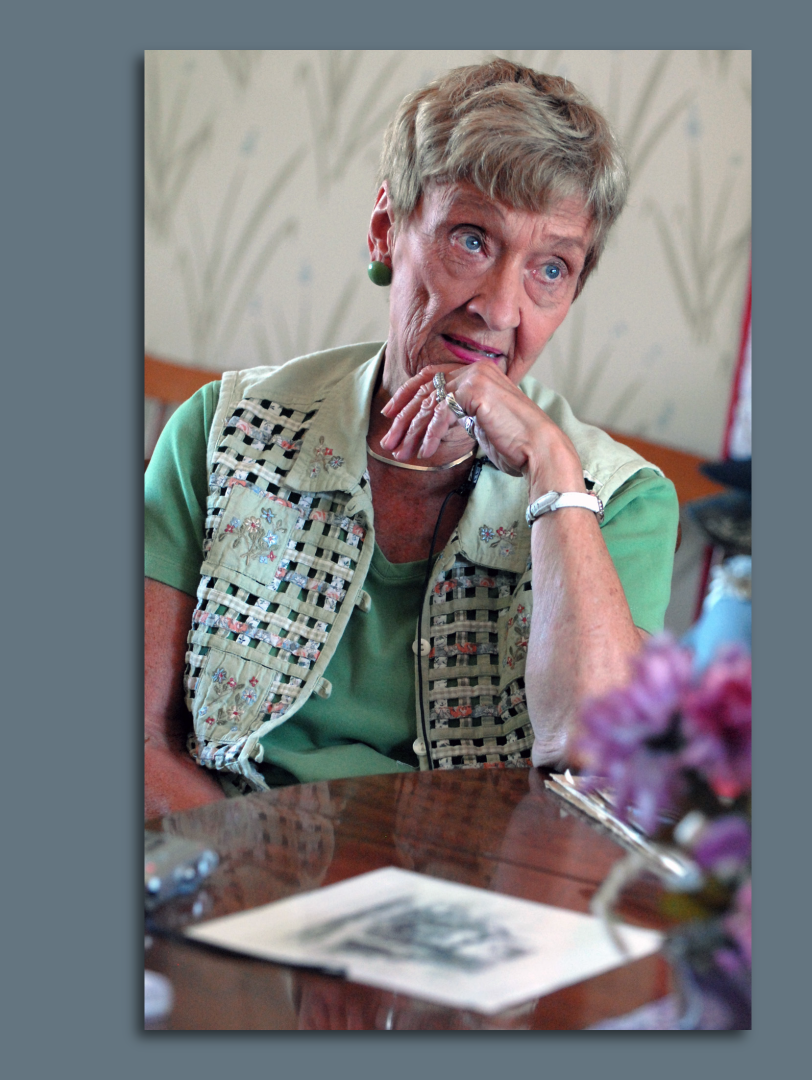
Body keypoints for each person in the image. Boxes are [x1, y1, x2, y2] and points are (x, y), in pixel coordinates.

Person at [144, 60, 677, 818]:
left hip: (469, 881)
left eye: (551, 268)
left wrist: (553, 471)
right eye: (472, 239)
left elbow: (594, 764)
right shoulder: (221, 431)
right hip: (222, 858)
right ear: (386, 229)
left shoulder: (622, 499)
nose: (500, 308)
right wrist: (267, 877)